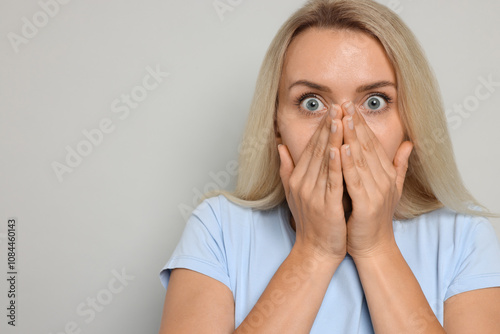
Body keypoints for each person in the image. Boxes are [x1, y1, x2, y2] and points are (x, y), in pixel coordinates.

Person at [158, 0, 500, 332]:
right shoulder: (217, 228)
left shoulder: (464, 236)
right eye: (311, 102)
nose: (341, 128)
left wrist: (376, 247)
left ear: (410, 120)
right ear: (276, 122)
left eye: (374, 102)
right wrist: (315, 250)